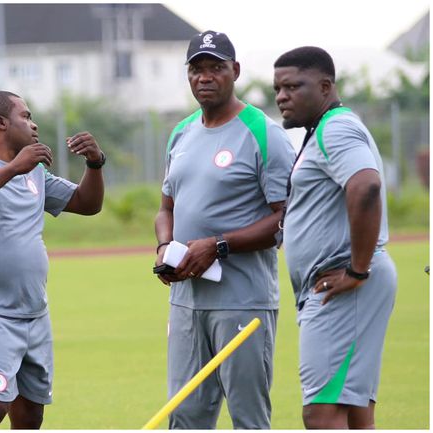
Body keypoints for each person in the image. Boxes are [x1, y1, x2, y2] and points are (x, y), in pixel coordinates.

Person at [153, 30, 295, 429]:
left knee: (248, 418)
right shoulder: (181, 132)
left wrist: (218, 245)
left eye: (215, 67)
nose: (205, 77)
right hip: (185, 300)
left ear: (234, 70)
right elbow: (166, 207)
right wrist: (165, 246)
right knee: (185, 416)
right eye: (196, 69)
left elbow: (284, 218)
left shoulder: (263, 133)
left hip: (242, 302)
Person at [0, 90, 104, 429]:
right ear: (1, 122)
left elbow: (87, 203)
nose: (34, 124)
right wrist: (13, 168)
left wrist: (95, 163)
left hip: (34, 312)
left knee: (30, 416)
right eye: (25, 116)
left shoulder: (35, 174)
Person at [273, 46, 397, 429]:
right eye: (278, 88)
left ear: (326, 86)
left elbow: (366, 187)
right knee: (355, 412)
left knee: (322, 412)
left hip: (344, 287)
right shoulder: (322, 131)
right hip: (344, 287)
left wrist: (357, 270)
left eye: (293, 86)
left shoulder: (336, 128)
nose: (282, 97)